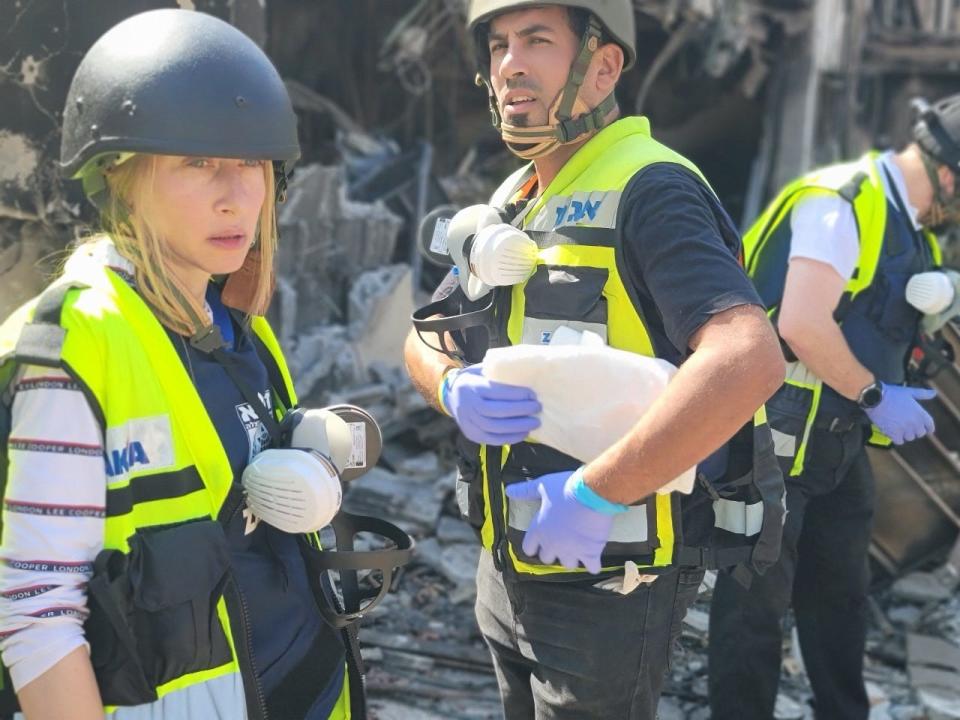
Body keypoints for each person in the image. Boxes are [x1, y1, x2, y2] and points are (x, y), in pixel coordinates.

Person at [403, 1, 786, 717]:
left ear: (604, 65)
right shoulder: (516, 199)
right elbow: (424, 334)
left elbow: (746, 357)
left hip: (608, 577)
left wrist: (593, 495)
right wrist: (453, 386)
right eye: (498, 45)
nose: (509, 63)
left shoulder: (651, 189)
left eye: (537, 41)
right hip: (509, 563)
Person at [0, 9, 380, 719]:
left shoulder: (241, 335)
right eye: (197, 162)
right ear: (120, 178)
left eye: (251, 164)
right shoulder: (74, 348)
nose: (236, 194)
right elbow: (36, 614)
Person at [708, 94, 960, 720]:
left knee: (840, 595)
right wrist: (876, 393)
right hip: (775, 426)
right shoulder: (841, 201)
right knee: (754, 605)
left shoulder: (914, 229)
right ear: (952, 175)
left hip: (837, 434)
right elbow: (799, 322)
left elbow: (881, 320)